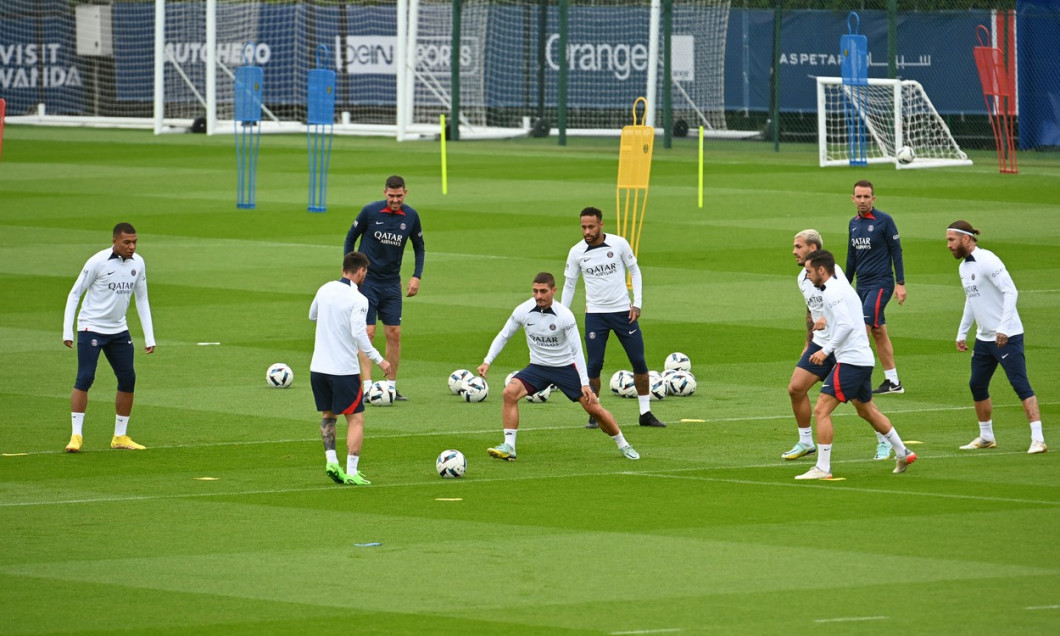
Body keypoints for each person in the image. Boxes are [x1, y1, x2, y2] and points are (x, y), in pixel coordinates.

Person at [478, 272, 640, 462]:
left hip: (565, 368)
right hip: (537, 367)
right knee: (509, 393)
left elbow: (577, 351)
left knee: (595, 409)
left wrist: (585, 384)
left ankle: (623, 444)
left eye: (543, 291)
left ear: (553, 291)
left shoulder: (565, 315)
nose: (539, 296)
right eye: (535, 291)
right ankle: (509, 447)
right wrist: (487, 361)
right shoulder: (523, 310)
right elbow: (504, 335)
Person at [795, 250, 917, 480]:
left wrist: (825, 351)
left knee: (821, 409)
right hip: (862, 358)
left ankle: (822, 468)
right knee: (866, 410)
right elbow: (848, 318)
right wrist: (825, 320)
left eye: (810, 272)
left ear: (822, 270)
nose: (808, 277)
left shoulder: (832, 293)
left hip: (851, 359)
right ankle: (903, 452)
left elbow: (846, 326)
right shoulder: (841, 288)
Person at [784, 230, 892, 462]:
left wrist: (829, 322)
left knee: (861, 405)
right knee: (795, 388)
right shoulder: (802, 278)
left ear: (813, 249)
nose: (794, 251)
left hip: (842, 345)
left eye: (798, 246)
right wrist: (808, 341)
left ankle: (885, 440)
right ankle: (805, 442)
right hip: (820, 344)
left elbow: (844, 302)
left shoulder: (834, 275)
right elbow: (810, 311)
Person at [559, 207, 665, 429]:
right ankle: (594, 412)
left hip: (623, 313)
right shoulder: (576, 252)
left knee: (638, 361)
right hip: (596, 316)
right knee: (594, 365)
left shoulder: (618, 244)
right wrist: (562, 314)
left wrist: (637, 304)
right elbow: (569, 285)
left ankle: (645, 412)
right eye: (583, 227)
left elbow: (635, 271)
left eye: (591, 226)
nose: (586, 231)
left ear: (601, 225)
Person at [946, 221, 1047, 454]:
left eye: (952, 240)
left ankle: (1038, 439)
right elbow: (972, 300)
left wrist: (1004, 327)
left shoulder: (988, 260)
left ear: (966, 239)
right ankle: (986, 436)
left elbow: (1011, 291)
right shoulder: (963, 267)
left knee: (1020, 384)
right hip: (984, 339)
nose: (948, 245)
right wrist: (962, 332)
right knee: (977, 384)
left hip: (1006, 336)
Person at [62, 223, 156, 453]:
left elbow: (141, 299)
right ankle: (76, 436)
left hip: (118, 330)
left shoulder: (138, 263)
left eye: (134, 242)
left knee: (128, 379)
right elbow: (75, 294)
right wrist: (67, 331)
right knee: (85, 377)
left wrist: (149, 337)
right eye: (127, 242)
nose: (131, 246)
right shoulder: (97, 261)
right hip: (91, 327)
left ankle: (120, 437)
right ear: (115, 240)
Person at [309, 251, 393, 486]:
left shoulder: (324, 289)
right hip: (343, 371)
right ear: (361, 271)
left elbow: (312, 315)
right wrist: (380, 360)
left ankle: (331, 461)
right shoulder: (359, 300)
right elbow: (359, 334)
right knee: (356, 419)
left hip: (318, 368)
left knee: (328, 415)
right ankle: (353, 472)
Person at [343, 175, 424, 401]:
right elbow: (350, 239)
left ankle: (390, 386)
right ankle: (367, 386)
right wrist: (350, 273)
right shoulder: (370, 212)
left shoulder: (411, 217)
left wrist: (416, 276)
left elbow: (419, 247)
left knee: (394, 333)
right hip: (366, 283)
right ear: (384, 192)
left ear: (405, 193)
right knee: (367, 332)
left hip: (391, 284)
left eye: (399, 196)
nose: (395, 200)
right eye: (391, 195)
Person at [846, 179, 906, 396]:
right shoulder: (853, 223)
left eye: (866, 196)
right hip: (861, 285)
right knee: (879, 332)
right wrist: (844, 285)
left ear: (873, 198)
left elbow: (896, 251)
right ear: (852, 199)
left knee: (863, 328)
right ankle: (893, 382)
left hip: (881, 284)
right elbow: (851, 256)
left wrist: (900, 283)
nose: (862, 200)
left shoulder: (884, 221)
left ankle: (858, 381)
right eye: (858, 197)